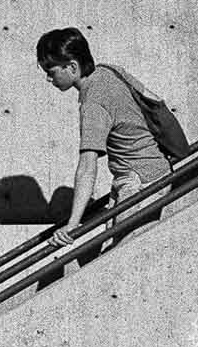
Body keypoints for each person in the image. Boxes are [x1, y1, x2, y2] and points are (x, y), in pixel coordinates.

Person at [36, 27, 172, 250]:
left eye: (51, 71)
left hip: (138, 182)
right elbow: (153, 99)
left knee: (124, 257)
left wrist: (72, 224)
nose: (48, 79)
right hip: (152, 172)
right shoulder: (109, 71)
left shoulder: (93, 103)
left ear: (72, 67)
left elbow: (87, 167)